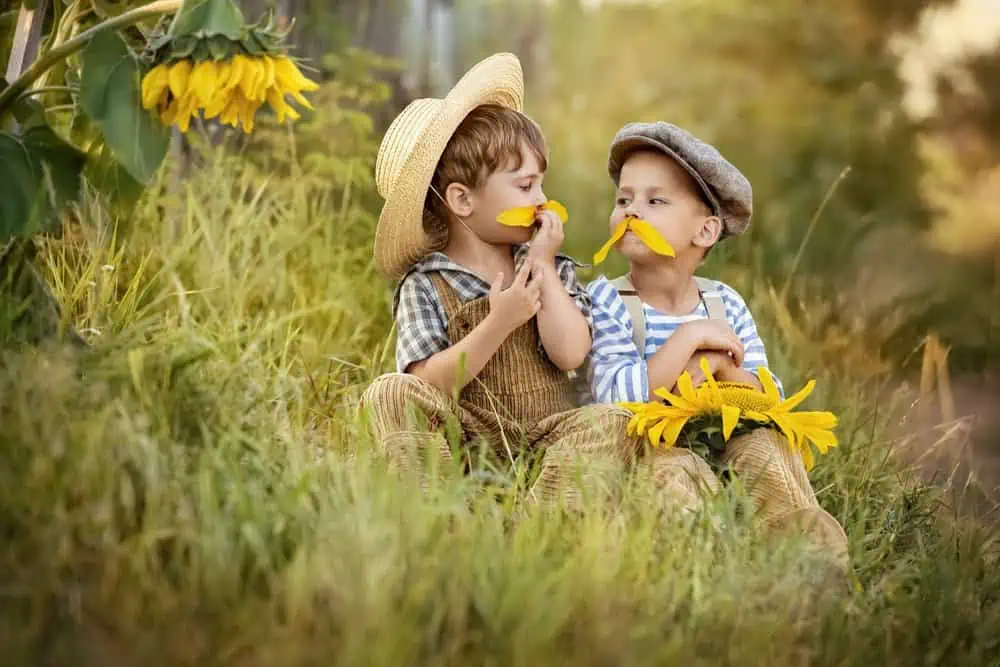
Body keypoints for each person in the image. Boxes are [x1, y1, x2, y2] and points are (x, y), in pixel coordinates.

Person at [359, 53, 636, 508]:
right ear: (463, 200)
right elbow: (430, 383)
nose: (543, 199)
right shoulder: (426, 284)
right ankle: (445, 514)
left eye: (541, 184)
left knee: (616, 421)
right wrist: (498, 322)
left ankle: (543, 522)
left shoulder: (550, 265)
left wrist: (543, 269)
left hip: (549, 436)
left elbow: (571, 352)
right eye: (526, 187)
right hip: (466, 438)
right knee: (390, 391)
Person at [586, 121, 850, 571]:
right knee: (673, 479)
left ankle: (806, 558)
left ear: (705, 232)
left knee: (768, 451)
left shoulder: (723, 303)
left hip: (731, 438)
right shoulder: (607, 299)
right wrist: (692, 345)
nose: (632, 211)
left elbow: (767, 397)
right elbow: (613, 397)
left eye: (655, 201)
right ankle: (705, 574)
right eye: (623, 199)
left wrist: (718, 371)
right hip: (652, 450)